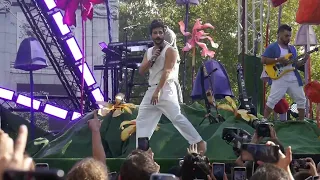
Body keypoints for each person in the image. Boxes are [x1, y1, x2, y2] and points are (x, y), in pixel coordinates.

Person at [137, 19, 206, 154]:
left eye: (160, 32)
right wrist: (152, 59)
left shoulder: (171, 50)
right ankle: (142, 152)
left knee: (176, 118)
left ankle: (199, 142)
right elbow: (141, 71)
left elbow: (167, 72)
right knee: (142, 119)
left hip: (165, 89)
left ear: (164, 34)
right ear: (151, 35)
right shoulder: (150, 51)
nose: (158, 35)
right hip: (152, 89)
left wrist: (158, 91)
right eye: (155, 33)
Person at [261, 24, 308, 121]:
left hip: (293, 77)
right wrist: (278, 60)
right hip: (279, 77)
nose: (289, 38)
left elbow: (294, 64)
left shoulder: (292, 49)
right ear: (279, 35)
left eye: (290, 36)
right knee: (272, 100)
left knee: (301, 99)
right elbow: (263, 60)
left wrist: (303, 61)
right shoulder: (272, 47)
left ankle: (301, 122)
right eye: (286, 36)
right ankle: (263, 121)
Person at [164, 26, 183, 103]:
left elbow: (166, 46)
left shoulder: (169, 33)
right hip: (168, 58)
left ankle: (179, 102)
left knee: (173, 80)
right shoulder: (163, 33)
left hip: (173, 59)